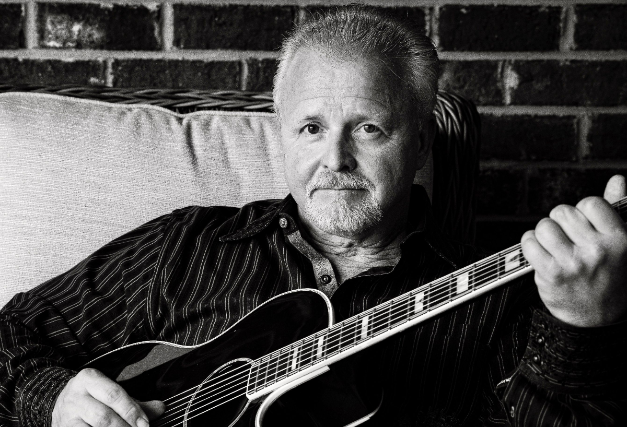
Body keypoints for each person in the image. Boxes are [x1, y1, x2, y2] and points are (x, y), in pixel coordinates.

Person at [1, 6, 626, 427]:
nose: (335, 158)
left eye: (369, 128)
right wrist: (54, 398)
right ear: (282, 135)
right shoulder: (187, 245)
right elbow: (11, 333)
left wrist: (581, 325)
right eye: (311, 128)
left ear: (421, 145)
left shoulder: (503, 298)